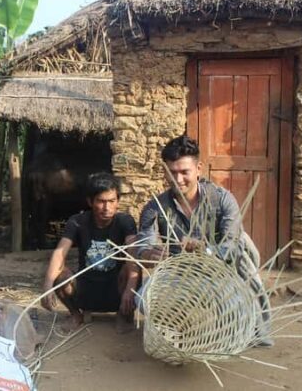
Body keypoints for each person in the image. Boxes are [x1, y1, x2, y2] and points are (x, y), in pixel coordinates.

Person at [131, 134, 272, 346]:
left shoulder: (222, 200)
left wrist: (204, 249)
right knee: (143, 298)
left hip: (221, 272)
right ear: (165, 171)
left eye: (184, 172)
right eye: (172, 172)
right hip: (179, 271)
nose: (178, 180)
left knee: (234, 310)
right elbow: (143, 245)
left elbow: (232, 247)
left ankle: (224, 332)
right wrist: (151, 253)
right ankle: (178, 336)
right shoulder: (155, 207)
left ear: (198, 169)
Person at [40, 172, 138, 328]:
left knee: (132, 269)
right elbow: (60, 252)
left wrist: (129, 291)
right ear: (90, 202)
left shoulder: (125, 221)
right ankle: (76, 314)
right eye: (101, 201)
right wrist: (47, 284)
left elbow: (133, 255)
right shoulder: (77, 222)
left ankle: (123, 315)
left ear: (118, 201)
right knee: (60, 275)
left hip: (115, 288)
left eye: (112, 201)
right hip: (86, 288)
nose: (107, 207)